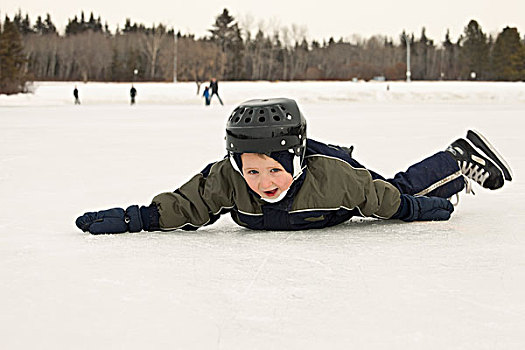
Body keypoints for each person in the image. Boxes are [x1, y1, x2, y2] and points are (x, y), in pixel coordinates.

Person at [76, 98, 512, 234]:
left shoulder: (333, 178)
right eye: (252, 171)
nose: (263, 182)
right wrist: (141, 218)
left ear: (296, 160)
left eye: (274, 170)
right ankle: (455, 157)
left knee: (398, 188)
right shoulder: (229, 179)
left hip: (348, 179)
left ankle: (457, 159)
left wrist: (413, 209)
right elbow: (189, 204)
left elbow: (380, 200)